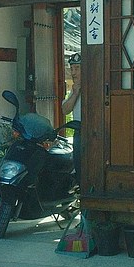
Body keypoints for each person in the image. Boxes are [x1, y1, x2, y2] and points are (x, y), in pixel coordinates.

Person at [61, 52, 82, 181]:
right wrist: (75, 93)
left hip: (94, 134)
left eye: (77, 68)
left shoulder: (95, 88)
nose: (73, 73)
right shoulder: (74, 90)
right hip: (78, 133)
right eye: (72, 69)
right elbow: (65, 110)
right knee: (79, 167)